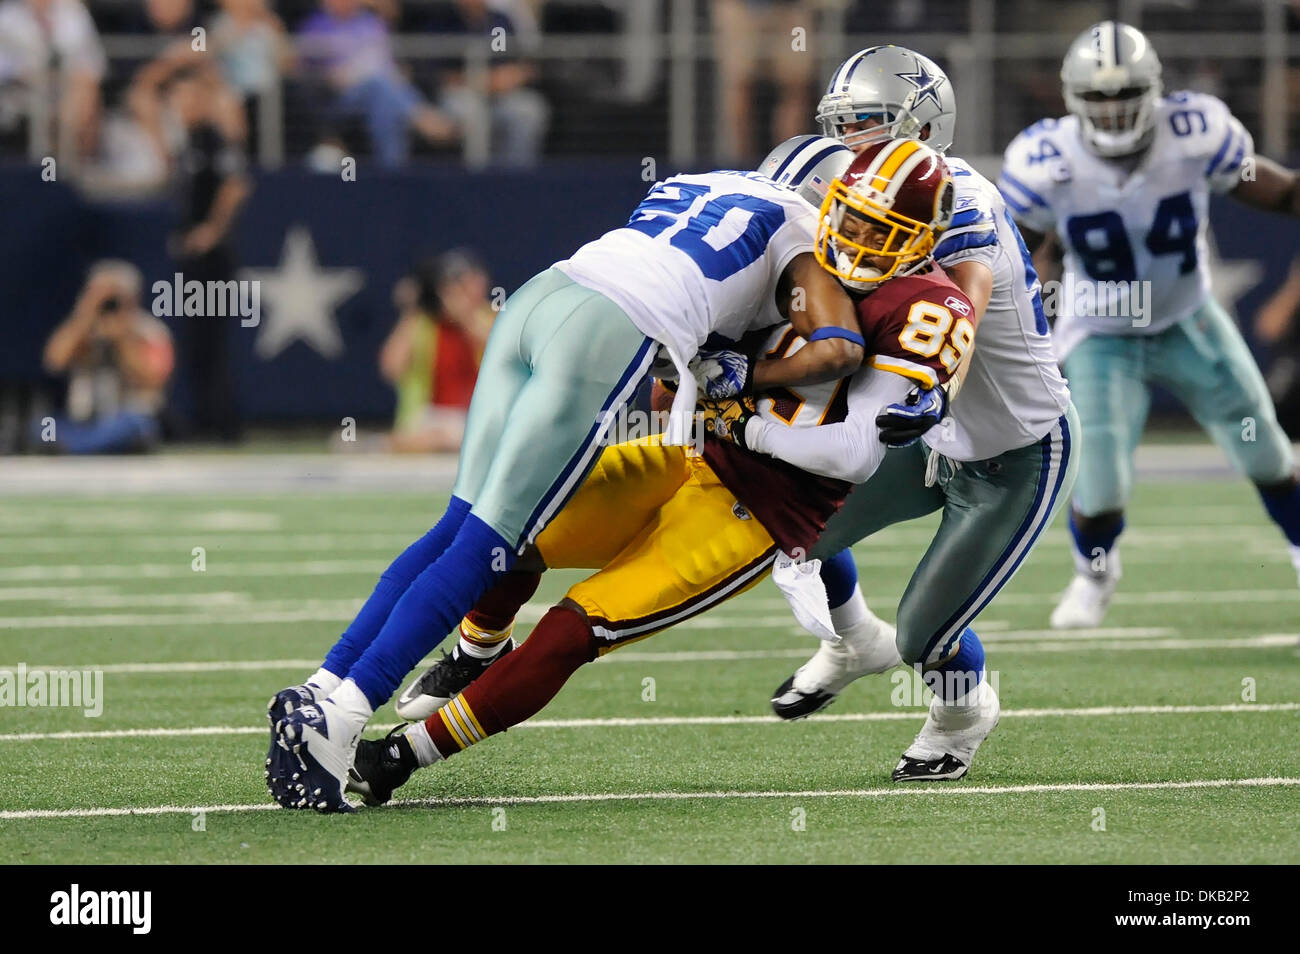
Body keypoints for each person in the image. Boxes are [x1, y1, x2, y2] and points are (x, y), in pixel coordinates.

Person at [337, 139, 969, 805]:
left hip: (758, 508)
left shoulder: (926, 307)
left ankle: (401, 757)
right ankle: (478, 648)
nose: (855, 240)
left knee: (575, 629)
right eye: (849, 218)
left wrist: (739, 416)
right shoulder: (793, 250)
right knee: (511, 533)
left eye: (879, 231)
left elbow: (853, 455)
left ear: (919, 239)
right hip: (684, 456)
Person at [764, 46, 1074, 781]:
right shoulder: (851, 190)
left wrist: (935, 388)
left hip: (1013, 448)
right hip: (931, 431)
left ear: (922, 123)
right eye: (843, 126)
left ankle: (963, 714)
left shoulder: (962, 199)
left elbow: (963, 304)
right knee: (783, 518)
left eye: (867, 124)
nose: (852, 143)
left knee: (926, 636)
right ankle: (849, 641)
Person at [1000, 21, 1300, 628]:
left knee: (1264, 445)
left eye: (1124, 95)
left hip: (1188, 318)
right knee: (1102, 479)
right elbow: (1018, 252)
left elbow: (1273, 189)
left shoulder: (1194, 133)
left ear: (1153, 91)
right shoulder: (1043, 160)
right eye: (1099, 97)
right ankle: (1094, 573)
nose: (1112, 111)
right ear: (1073, 99)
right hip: (1100, 333)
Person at [296, 0, 458, 168]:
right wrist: (336, 75)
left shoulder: (370, 23)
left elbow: (386, 62)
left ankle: (391, 170)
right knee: (380, 85)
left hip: (375, 91)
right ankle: (422, 117)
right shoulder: (316, 25)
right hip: (337, 99)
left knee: (383, 102)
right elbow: (306, 70)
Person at [39, 261, 173, 454]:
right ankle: (88, 446)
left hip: (126, 420)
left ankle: (76, 449)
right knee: (44, 426)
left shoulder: (150, 332)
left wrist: (123, 338)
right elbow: (55, 361)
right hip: (83, 422)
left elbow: (153, 380)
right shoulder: (83, 331)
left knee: (135, 426)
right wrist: (85, 314)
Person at [379, 250, 494, 452]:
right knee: (431, 433)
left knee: (459, 435)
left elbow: (496, 349)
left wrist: (464, 315)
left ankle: (390, 443)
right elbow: (391, 368)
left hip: (475, 416)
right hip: (429, 418)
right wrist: (413, 309)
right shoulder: (423, 323)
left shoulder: (489, 316)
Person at [426, 0, 549, 166]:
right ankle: (479, 180)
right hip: (461, 94)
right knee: (470, 114)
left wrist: (514, 75)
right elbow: (437, 73)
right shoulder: (442, 22)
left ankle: (515, 179)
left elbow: (517, 62)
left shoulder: (499, 21)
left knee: (528, 110)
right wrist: (478, 81)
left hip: (499, 95)